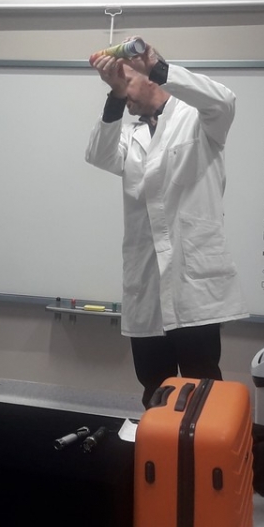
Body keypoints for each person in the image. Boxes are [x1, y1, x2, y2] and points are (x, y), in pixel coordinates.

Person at [85, 38, 248, 406]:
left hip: (193, 285)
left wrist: (157, 66)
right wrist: (115, 95)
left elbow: (224, 100)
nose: (123, 90)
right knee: (153, 388)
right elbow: (99, 155)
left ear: (151, 78)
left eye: (128, 81)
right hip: (146, 286)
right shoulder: (132, 136)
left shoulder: (199, 120)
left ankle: (200, 444)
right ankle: (157, 442)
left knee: (202, 389)